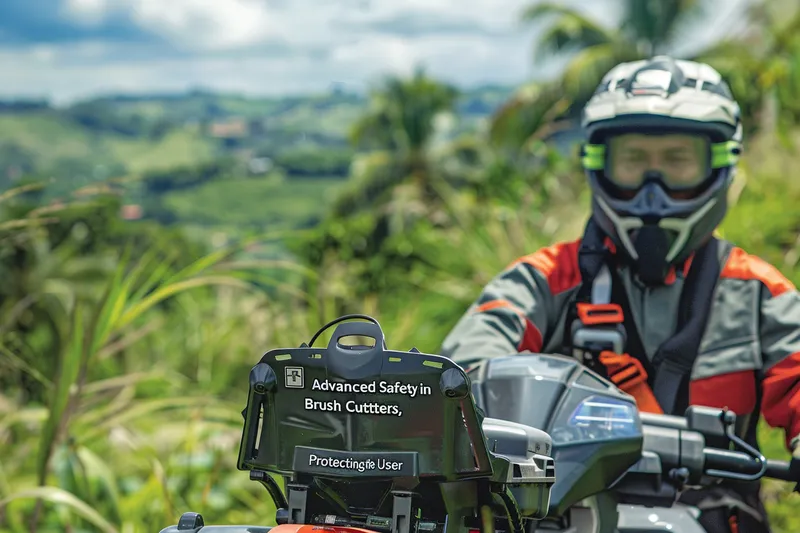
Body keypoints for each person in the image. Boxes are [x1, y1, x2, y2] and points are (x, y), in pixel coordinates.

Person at [439, 56, 800, 533]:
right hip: (563, 516)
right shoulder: (545, 278)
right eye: (634, 162)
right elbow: (462, 371)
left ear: (719, 164)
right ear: (599, 164)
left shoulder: (758, 292)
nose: (654, 190)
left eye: (677, 161)